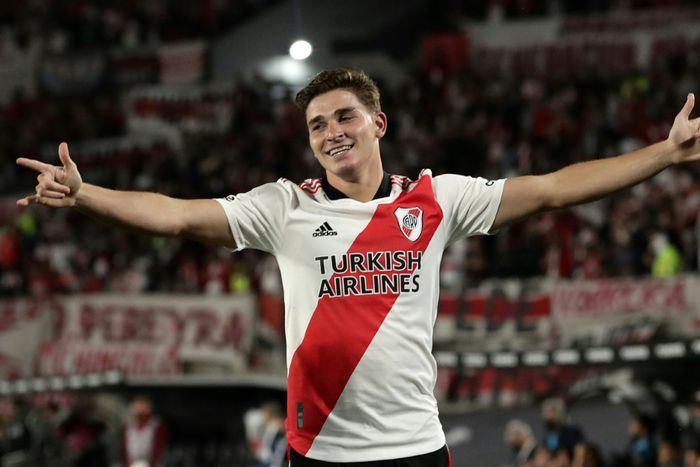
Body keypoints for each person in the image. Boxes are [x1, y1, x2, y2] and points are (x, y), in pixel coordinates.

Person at [15, 68, 700, 466]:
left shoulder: (437, 198)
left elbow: (551, 188)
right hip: (320, 453)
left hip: (415, 446)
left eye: (344, 116)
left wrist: (664, 154)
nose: (330, 132)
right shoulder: (283, 207)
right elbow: (176, 216)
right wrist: (86, 195)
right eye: (317, 125)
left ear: (379, 123)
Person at [121, 395, 166, 467]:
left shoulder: (156, 426)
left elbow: (159, 448)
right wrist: (126, 464)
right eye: (138, 408)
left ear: (149, 410)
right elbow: (124, 447)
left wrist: (152, 464)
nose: (140, 411)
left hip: (151, 463)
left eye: (143, 408)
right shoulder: (129, 426)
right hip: (132, 463)